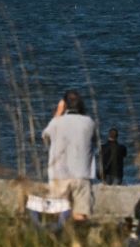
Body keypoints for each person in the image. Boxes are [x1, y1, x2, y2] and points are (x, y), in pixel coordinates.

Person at [41, 90, 98, 220]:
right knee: (81, 215)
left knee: (57, 213)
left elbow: (45, 136)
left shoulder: (56, 122)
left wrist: (58, 112)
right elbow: (94, 140)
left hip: (59, 175)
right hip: (82, 174)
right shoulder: (89, 122)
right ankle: (79, 238)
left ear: (65, 105)